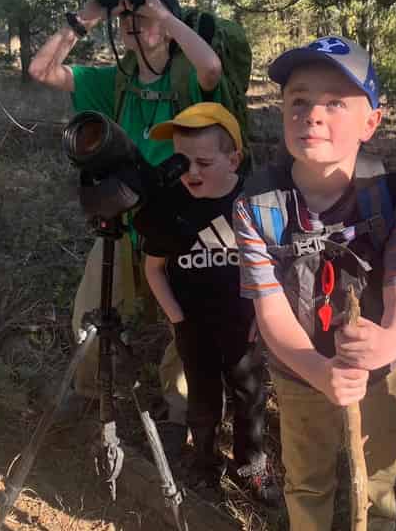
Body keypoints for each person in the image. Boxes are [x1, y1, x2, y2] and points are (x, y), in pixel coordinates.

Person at [233, 36, 396, 531]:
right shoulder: (256, 206)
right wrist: (317, 371)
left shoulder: (393, 196)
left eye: (336, 102)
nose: (312, 115)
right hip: (300, 373)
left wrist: (389, 344)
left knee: (379, 480)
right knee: (308, 481)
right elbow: (270, 309)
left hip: (379, 373)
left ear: (371, 122)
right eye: (299, 100)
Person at [29, 0, 223, 452]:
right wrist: (87, 16)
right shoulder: (113, 82)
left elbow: (212, 69)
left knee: (185, 320)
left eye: (144, 17)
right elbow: (42, 71)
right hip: (125, 223)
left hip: (182, 225)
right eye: (128, 19)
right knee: (93, 310)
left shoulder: (187, 79)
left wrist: (162, 13)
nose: (135, 26)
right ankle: (90, 389)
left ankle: (179, 414)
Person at [131, 102, 280, 504]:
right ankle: (204, 463)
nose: (191, 172)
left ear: (234, 159)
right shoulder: (171, 206)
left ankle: (252, 465)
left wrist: (266, 313)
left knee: (250, 395)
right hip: (193, 326)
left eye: (203, 161)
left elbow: (277, 262)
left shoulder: (254, 200)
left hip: (242, 322)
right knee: (203, 399)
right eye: (181, 161)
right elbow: (154, 269)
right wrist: (177, 318)